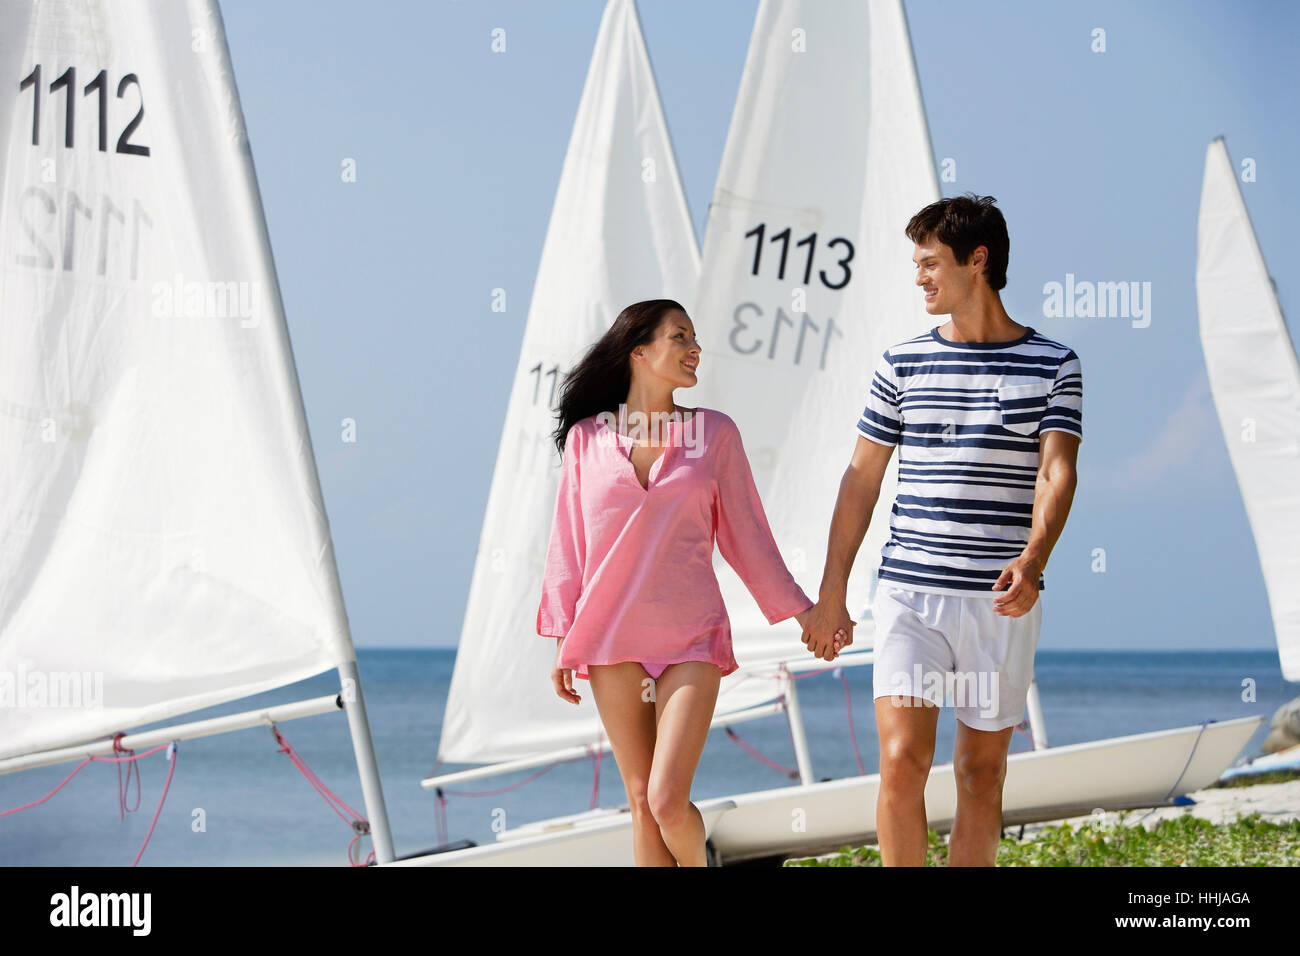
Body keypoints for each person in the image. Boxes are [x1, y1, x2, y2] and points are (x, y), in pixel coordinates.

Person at [803, 194, 1083, 866]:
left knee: (980, 776)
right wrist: (832, 592)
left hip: (999, 601)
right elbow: (861, 480)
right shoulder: (900, 363)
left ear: (977, 261)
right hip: (909, 596)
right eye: (916, 265)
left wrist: (1033, 558)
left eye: (930, 263)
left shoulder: (1054, 363)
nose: (920, 277)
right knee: (902, 761)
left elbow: (1056, 473)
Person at [535, 298, 846, 867]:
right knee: (639, 801)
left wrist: (807, 613)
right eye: (680, 337)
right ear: (639, 351)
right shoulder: (586, 439)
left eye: (694, 338)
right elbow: (567, 545)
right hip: (609, 639)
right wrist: (562, 638)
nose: (694, 348)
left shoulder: (714, 434)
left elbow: (747, 536)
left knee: (666, 798)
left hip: (692, 637)